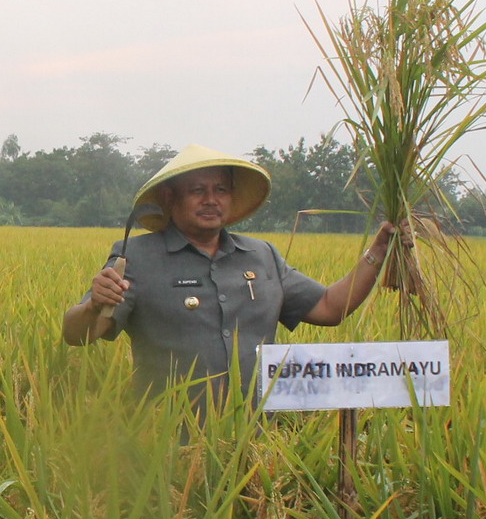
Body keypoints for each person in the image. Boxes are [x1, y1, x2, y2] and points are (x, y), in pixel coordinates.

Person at [63, 144, 399, 396]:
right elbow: (78, 335)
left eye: (220, 190)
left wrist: (378, 252)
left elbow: (329, 307)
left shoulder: (261, 255)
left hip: (252, 443)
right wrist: (93, 305)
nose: (211, 200)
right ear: (169, 197)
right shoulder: (134, 257)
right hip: (164, 444)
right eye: (198, 191)